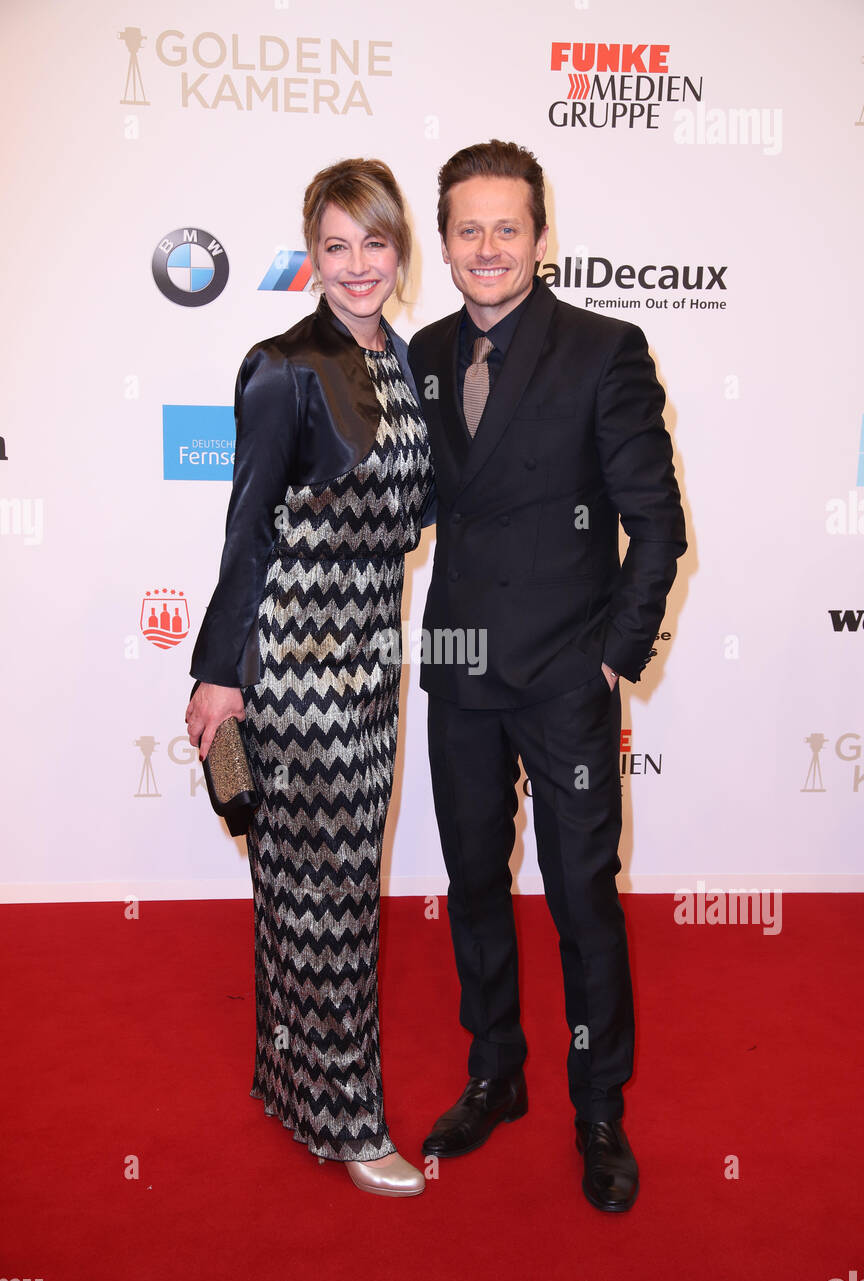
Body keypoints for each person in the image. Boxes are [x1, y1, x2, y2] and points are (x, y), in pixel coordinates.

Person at [408, 140, 687, 1213]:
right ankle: (494, 1072)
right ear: (442, 243)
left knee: (580, 898)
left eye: (505, 226)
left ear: (540, 236)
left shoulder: (602, 349)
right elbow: (410, 502)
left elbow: (654, 525)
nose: (486, 246)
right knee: (472, 885)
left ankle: (597, 1103)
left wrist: (611, 656)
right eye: (466, 228)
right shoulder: (421, 354)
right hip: (454, 663)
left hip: (564, 672)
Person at [185, 158, 435, 1198]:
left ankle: (288, 1083)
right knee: (328, 899)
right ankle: (347, 1120)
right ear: (310, 255)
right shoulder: (282, 366)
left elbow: (412, 513)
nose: (357, 265)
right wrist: (217, 676)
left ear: (398, 249)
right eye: (335, 246)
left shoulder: (409, 360)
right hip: (296, 673)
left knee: (304, 889)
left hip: (370, 661)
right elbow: (246, 531)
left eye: (373, 243)